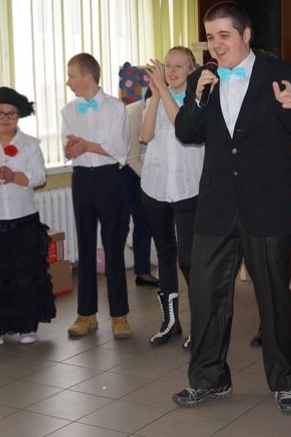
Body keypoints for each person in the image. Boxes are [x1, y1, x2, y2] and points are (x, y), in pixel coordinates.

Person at [172, 1, 291, 414]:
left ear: (246, 34)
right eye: (210, 37)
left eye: (224, 35)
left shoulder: (283, 73)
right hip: (216, 205)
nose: (216, 45)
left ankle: (286, 382)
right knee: (205, 295)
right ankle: (209, 379)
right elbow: (186, 132)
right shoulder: (202, 79)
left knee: (274, 298)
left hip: (267, 204)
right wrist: (197, 99)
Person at [0, 87, 56, 345]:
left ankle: (26, 326)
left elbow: (39, 176)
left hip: (22, 217)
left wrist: (15, 176)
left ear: (19, 115)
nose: (5, 118)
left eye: (11, 114)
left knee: (23, 272)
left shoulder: (31, 144)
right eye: (0, 113)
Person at [62, 52, 132, 339]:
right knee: (85, 246)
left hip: (109, 178)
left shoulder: (116, 108)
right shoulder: (68, 110)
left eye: (72, 76)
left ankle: (119, 315)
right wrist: (80, 147)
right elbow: (69, 148)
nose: (68, 82)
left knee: (113, 246)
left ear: (88, 76)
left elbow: (118, 149)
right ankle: (86, 314)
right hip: (82, 179)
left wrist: (87, 145)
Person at [140, 46, 204, 347]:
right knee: (164, 253)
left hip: (188, 189)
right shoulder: (154, 96)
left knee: (189, 259)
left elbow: (182, 126)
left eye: (179, 65)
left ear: (192, 70)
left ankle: (200, 325)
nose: (172, 71)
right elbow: (145, 136)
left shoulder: (199, 100)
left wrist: (163, 91)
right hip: (156, 187)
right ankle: (170, 322)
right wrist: (155, 95)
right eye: (167, 65)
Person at [121, 96, 158, 288]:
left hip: (144, 166)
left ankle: (142, 272)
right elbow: (132, 159)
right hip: (126, 169)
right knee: (132, 222)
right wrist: (153, 182)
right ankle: (136, 272)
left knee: (144, 221)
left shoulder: (161, 109)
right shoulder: (133, 115)